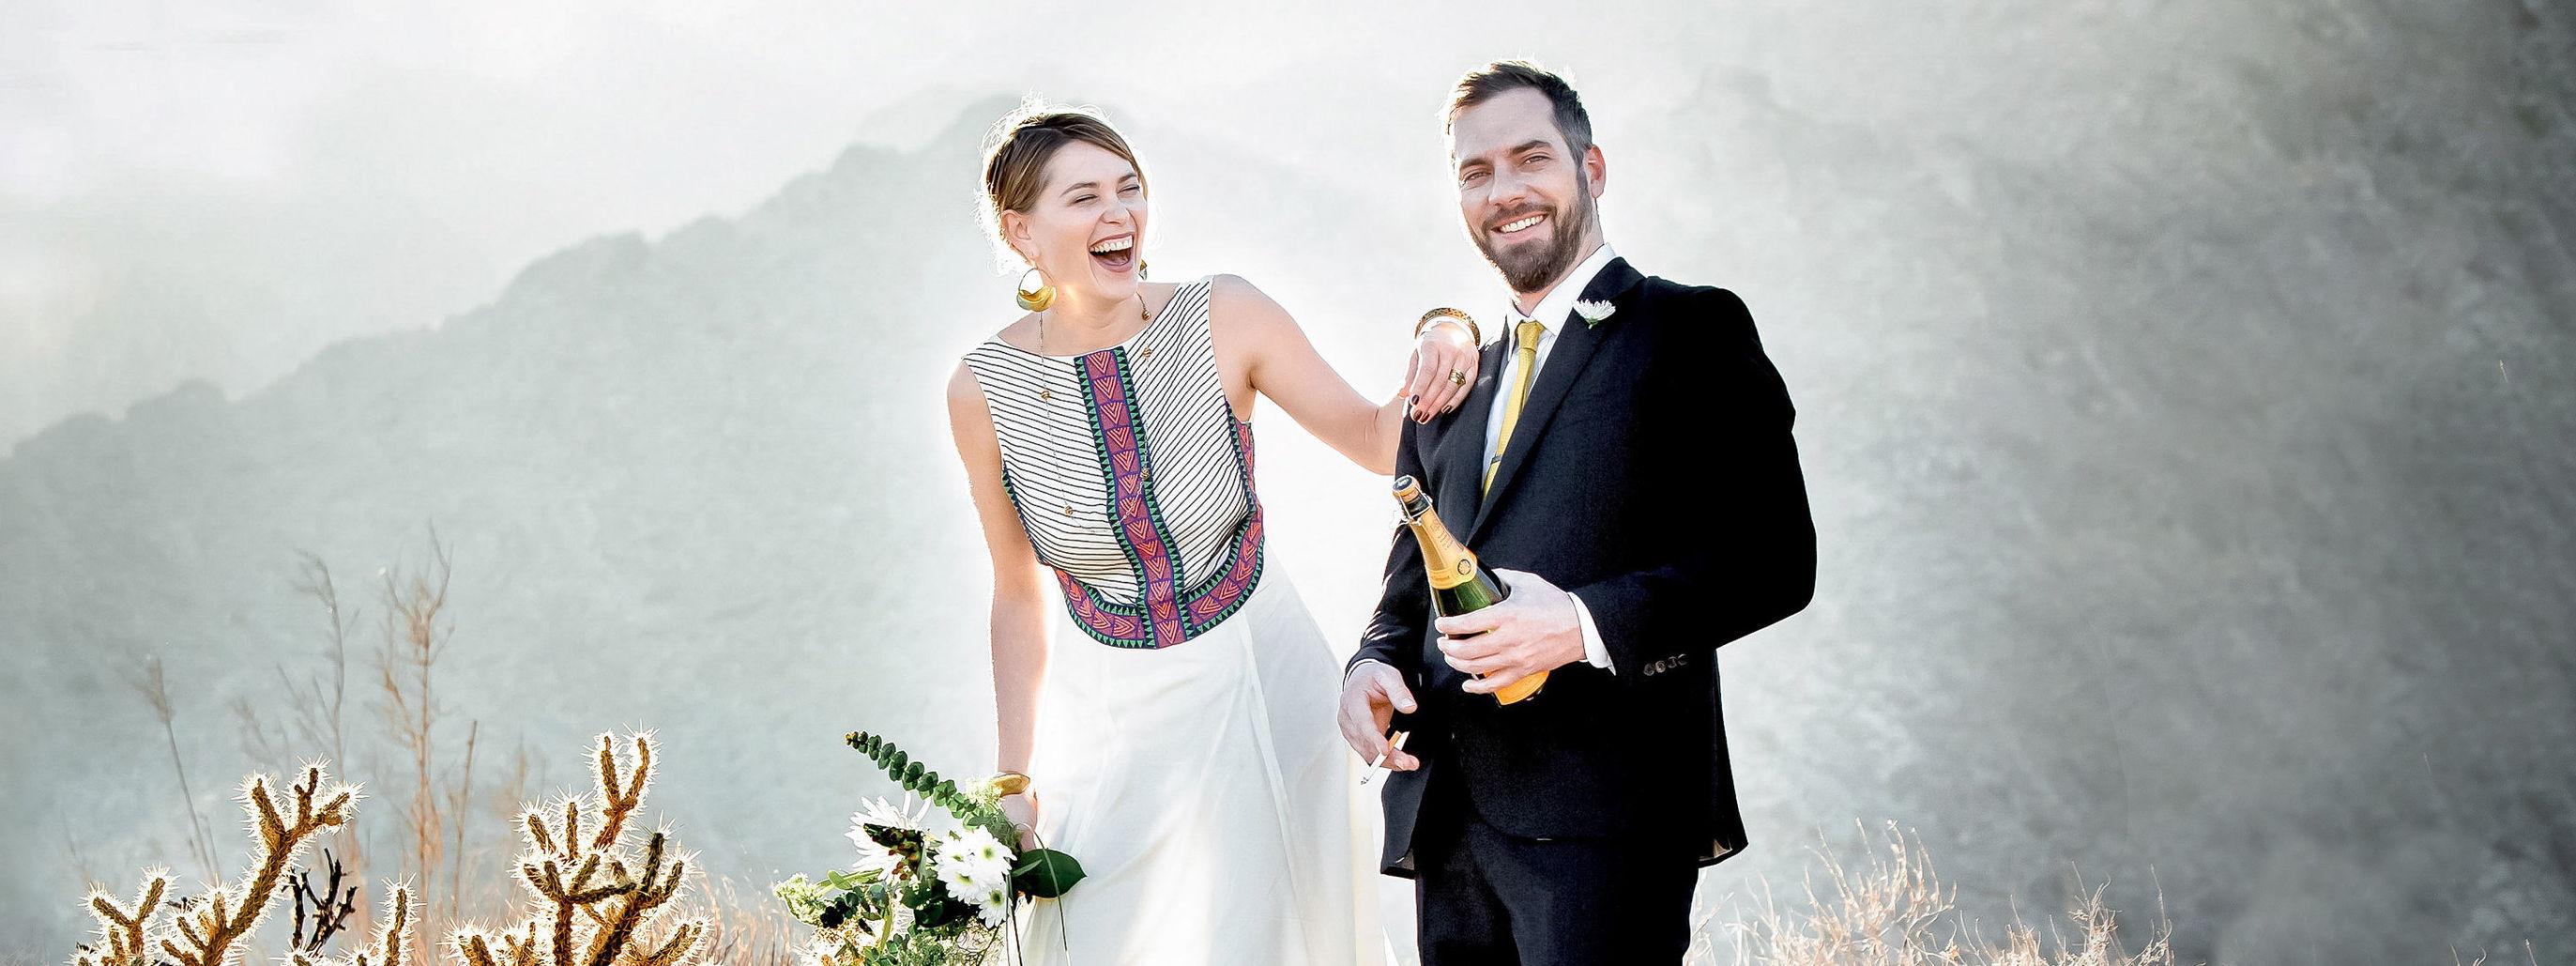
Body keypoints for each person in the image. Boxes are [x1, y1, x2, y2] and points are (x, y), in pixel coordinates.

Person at [944, 103, 1480, 965]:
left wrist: (1444, 329)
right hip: (1111, 710)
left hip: (1265, 673)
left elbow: (1378, 439)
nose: (1119, 213)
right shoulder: (981, 391)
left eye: (1129, 188)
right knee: (1093, 936)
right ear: (1021, 232)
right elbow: (1016, 592)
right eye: (1084, 197)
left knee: (1282, 934)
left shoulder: (1224, 315)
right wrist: (1013, 780)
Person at [1338, 60, 1818, 964]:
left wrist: (1582, 624)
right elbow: (1409, 572)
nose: (1503, 191)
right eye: (1476, 173)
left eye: (1531, 159)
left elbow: (1774, 560)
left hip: (1609, 821)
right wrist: (1372, 661)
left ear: (1590, 168)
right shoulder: (1453, 372)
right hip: (1447, 818)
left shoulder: (1689, 329)